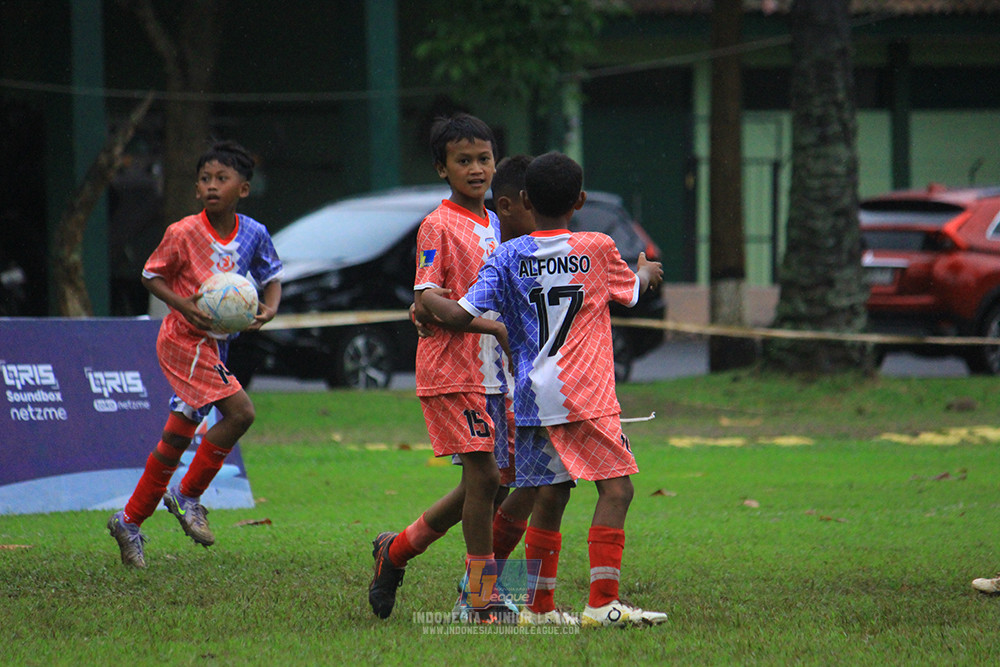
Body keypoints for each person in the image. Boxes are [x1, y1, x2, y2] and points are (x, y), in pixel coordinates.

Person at [420, 151, 669, 628]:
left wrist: (425, 299)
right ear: (579, 200)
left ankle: (538, 608)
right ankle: (602, 603)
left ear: (527, 201)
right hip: (587, 395)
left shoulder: (507, 255)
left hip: (532, 398)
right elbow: (633, 290)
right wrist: (646, 274)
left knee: (550, 495)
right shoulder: (596, 247)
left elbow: (461, 312)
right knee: (617, 491)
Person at [107, 140, 283, 568]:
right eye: (204, 179)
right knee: (240, 413)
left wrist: (270, 308)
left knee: (176, 437)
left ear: (243, 188)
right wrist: (185, 305)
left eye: (221, 179)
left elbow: (272, 276)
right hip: (184, 340)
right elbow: (151, 274)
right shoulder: (183, 232)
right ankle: (188, 496)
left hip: (215, 346)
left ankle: (128, 521)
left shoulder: (255, 233)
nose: (210, 186)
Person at [367, 114, 516, 622]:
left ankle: (396, 551)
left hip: (499, 375)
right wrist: (486, 326)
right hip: (453, 373)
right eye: (463, 161)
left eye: (484, 158)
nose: (476, 169)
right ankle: (481, 595)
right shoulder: (438, 223)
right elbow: (426, 295)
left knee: (498, 481)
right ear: (442, 168)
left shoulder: (500, 220)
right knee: (486, 474)